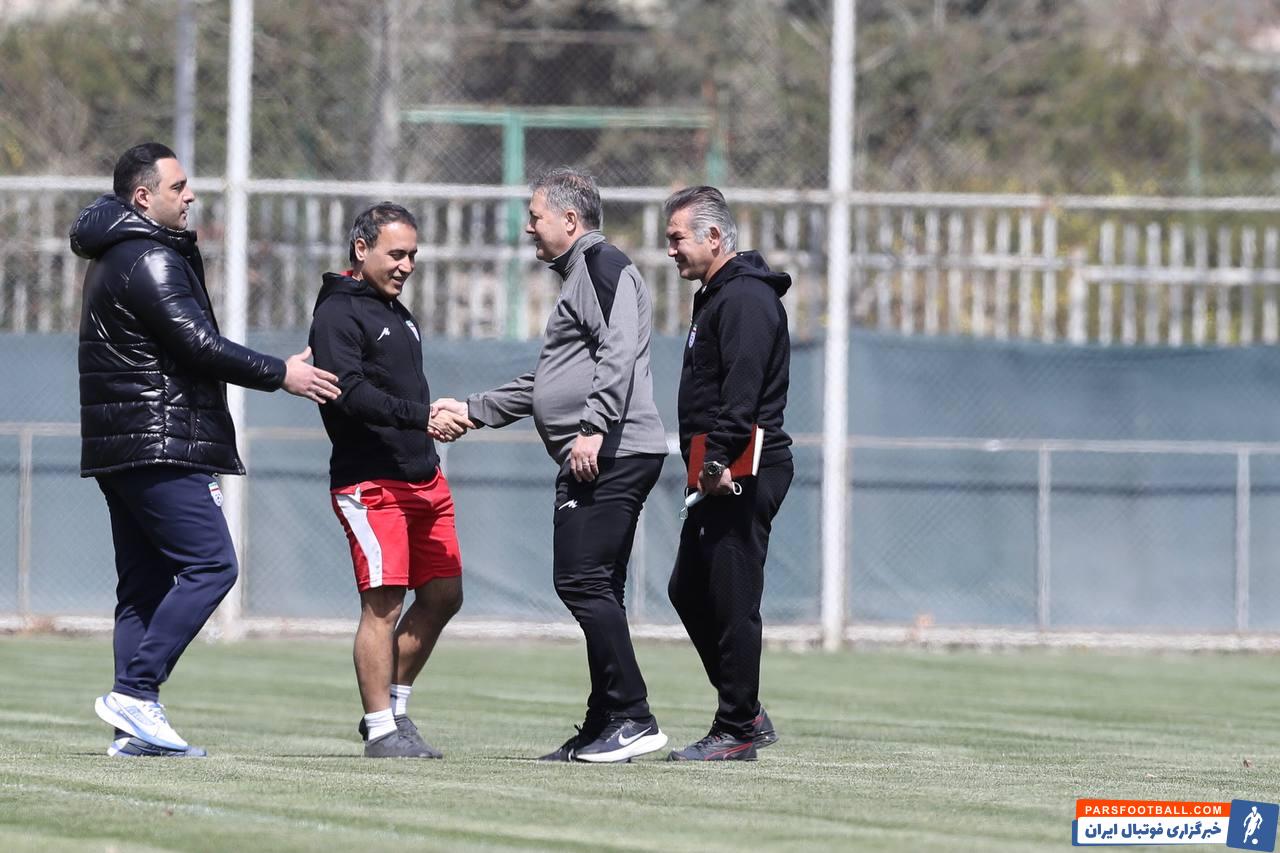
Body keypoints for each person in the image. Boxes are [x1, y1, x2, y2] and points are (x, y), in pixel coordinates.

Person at [72, 142, 342, 758]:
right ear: (144, 197)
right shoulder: (149, 258)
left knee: (141, 588)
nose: (190, 195)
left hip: (125, 444)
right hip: (160, 442)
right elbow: (199, 345)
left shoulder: (118, 253)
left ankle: (134, 731)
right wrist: (282, 373)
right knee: (213, 565)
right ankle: (135, 692)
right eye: (179, 187)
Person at [435, 167, 670, 763]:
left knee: (581, 581)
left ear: (570, 219)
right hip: (602, 450)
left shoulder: (603, 266)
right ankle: (605, 722)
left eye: (535, 217)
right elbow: (549, 381)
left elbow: (619, 350)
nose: (528, 228)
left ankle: (634, 716)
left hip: (610, 452)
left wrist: (592, 427)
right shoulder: (580, 276)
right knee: (598, 586)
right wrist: (474, 410)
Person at [309, 202, 471, 758]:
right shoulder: (337, 312)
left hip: (422, 477)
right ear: (362, 249)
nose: (406, 266)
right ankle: (381, 729)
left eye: (412, 255)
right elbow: (350, 393)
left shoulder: (396, 311)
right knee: (383, 604)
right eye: (396, 254)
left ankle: (393, 709)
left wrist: (431, 416)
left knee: (445, 594)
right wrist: (421, 417)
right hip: (371, 482)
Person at [662, 186, 793, 762]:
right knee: (688, 588)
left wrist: (716, 461)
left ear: (713, 237)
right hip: (717, 464)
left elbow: (741, 392)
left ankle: (736, 728)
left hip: (742, 467)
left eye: (677, 238)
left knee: (733, 597)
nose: (670, 250)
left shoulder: (743, 298)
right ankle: (747, 710)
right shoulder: (717, 295)